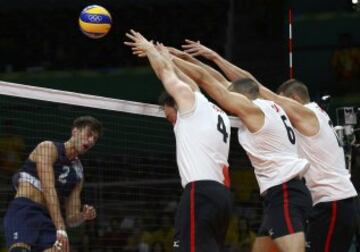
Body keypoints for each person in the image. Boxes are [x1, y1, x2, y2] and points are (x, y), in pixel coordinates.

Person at [184, 40, 359, 252]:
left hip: (331, 203)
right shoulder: (311, 116)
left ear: (294, 99)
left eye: (282, 101)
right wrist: (211, 59)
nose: (277, 105)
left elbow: (255, 86)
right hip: (319, 202)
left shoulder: (306, 113)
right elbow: (238, 86)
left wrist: (214, 58)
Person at [171, 47, 312, 252]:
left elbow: (208, 83)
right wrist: (195, 59)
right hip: (280, 193)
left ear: (243, 97)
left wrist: (167, 59)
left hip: (284, 192)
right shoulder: (271, 104)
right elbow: (221, 81)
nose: (230, 105)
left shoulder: (253, 110)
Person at [124, 30, 232, 252]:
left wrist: (150, 50)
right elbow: (190, 83)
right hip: (222, 197)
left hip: (200, 191)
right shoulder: (212, 109)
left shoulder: (189, 105)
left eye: (167, 115)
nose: (170, 121)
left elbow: (166, 74)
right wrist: (168, 57)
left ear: (176, 104)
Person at [3, 116, 102, 252]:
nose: (91, 141)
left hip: (47, 219)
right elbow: (49, 189)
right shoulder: (48, 148)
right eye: (89, 134)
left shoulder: (78, 173)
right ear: (75, 132)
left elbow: (71, 218)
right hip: (26, 210)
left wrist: (83, 216)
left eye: (95, 139)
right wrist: (60, 228)